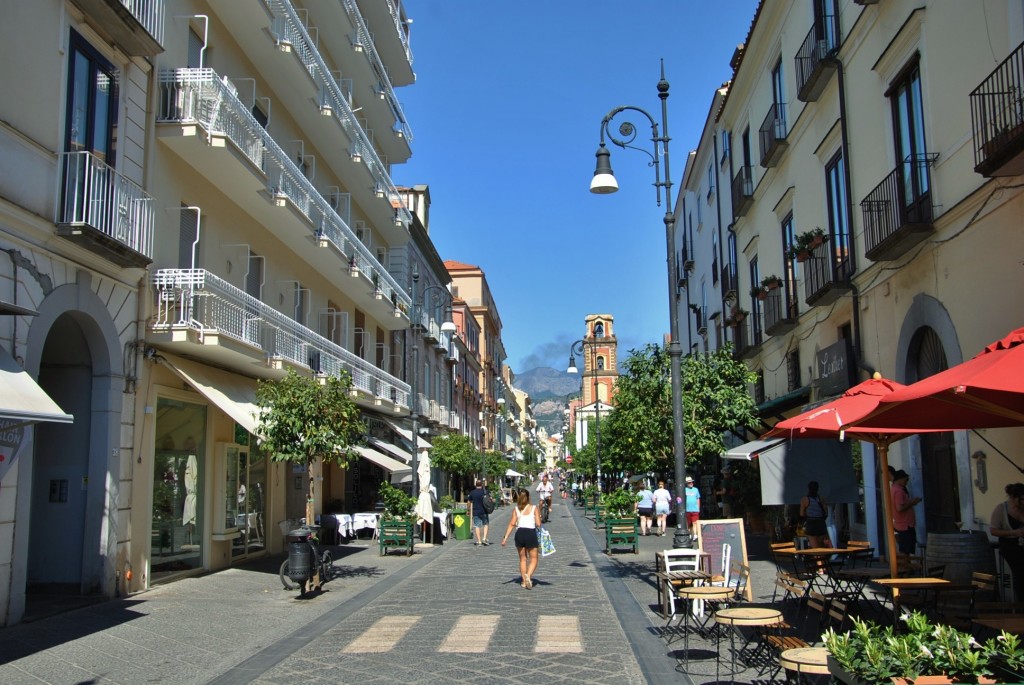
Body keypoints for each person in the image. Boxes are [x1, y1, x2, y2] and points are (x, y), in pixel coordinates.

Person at [501, 489, 542, 589]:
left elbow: (511, 524)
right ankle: (528, 575)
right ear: (528, 498)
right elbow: (538, 524)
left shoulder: (516, 509)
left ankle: (524, 582)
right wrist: (538, 516)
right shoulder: (534, 508)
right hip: (530, 533)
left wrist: (505, 538)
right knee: (534, 559)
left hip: (519, 534)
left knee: (522, 559)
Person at [990, 482, 1024, 602]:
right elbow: (993, 530)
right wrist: (1013, 533)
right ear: (1013, 498)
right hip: (1010, 545)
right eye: (1020, 500)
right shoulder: (1001, 509)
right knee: (1020, 573)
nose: (1023, 503)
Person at [891, 470, 921, 555]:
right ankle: (906, 566)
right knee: (905, 550)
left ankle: (906, 564)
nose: (907, 482)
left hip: (903, 524)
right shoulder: (898, 491)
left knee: (906, 549)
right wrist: (912, 503)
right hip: (905, 525)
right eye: (906, 480)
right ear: (900, 479)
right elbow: (899, 508)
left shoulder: (895, 489)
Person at [799, 480, 829, 549]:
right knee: (821, 547)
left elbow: (801, 514)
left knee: (815, 548)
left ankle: (818, 558)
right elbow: (826, 512)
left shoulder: (804, 499)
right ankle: (822, 559)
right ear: (817, 489)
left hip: (811, 524)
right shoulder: (821, 498)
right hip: (821, 523)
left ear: (808, 488)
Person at [467, 480, 491, 546]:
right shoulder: (485, 492)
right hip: (484, 511)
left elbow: (469, 502)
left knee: (477, 525)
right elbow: (490, 500)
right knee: (485, 524)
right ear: (482, 484)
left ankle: (479, 541)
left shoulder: (472, 493)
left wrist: (468, 510)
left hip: (476, 511)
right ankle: (484, 538)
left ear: (475, 485)